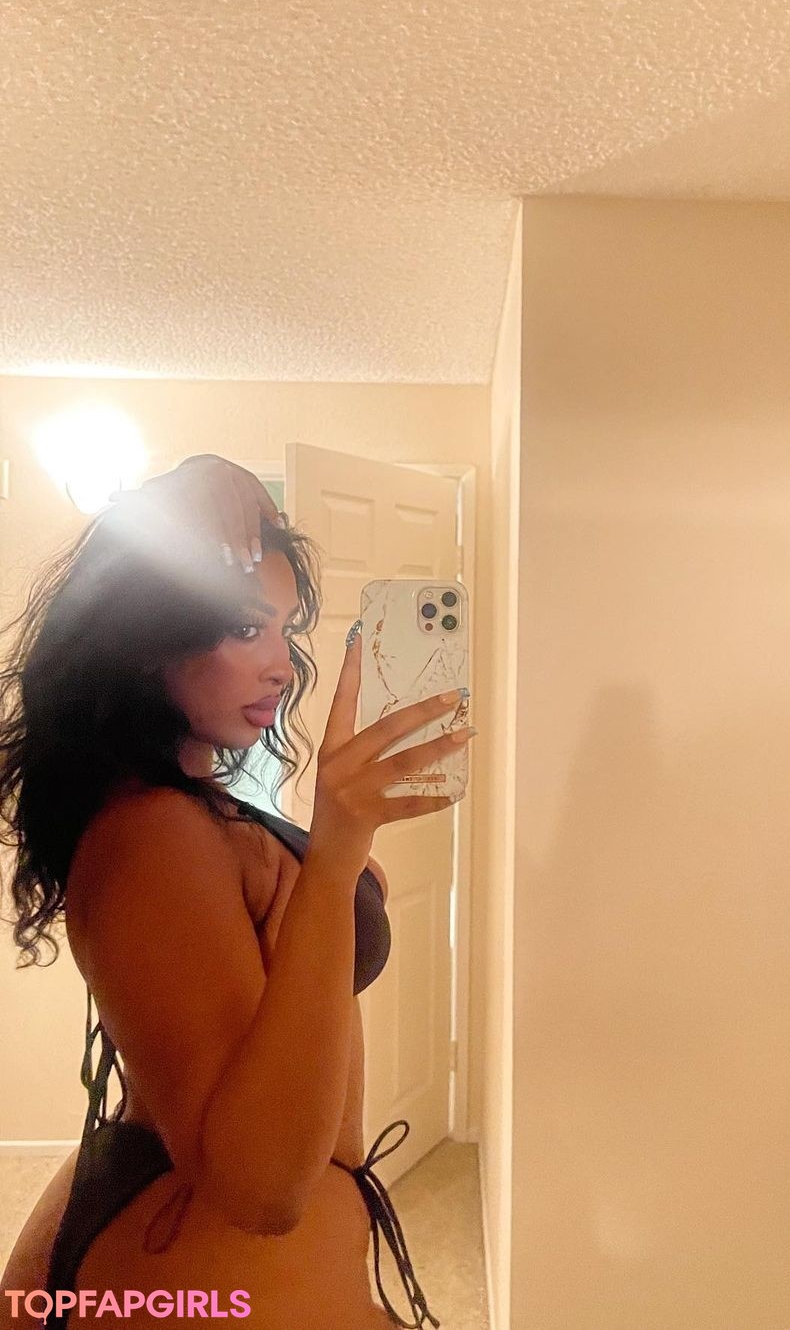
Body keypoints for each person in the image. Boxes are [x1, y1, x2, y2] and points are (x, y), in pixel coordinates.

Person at [0, 455, 473, 1329]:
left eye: (285, 629)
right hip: (202, 1272)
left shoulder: (190, 804)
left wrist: (215, 478)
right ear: (150, 637)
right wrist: (336, 855)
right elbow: (259, 1188)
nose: (282, 666)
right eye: (247, 627)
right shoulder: (152, 831)